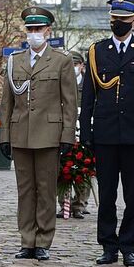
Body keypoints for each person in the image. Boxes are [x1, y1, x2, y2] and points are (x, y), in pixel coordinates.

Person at [81, 0, 134, 267]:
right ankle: (107, 244)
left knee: (132, 194)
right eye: (115, 20)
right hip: (105, 132)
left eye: (124, 21)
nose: (118, 24)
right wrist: (86, 131)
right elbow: (88, 96)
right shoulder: (97, 51)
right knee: (106, 194)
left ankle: (129, 245)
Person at [0, 7, 77, 261]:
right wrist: (4, 135)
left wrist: (67, 135)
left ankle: (43, 240)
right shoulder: (15, 61)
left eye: (38, 29)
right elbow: (7, 102)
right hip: (21, 132)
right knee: (25, 190)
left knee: (45, 190)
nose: (34, 34)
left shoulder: (61, 61)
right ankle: (26, 240)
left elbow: (70, 102)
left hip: (49, 133)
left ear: (48, 31)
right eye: (30, 29)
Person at [58, 51, 90, 218]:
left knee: (82, 167)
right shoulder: (60, 82)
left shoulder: (87, 84)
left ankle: (79, 204)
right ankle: (64, 204)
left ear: (81, 66)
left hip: (83, 128)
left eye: (75, 65)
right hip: (64, 129)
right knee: (62, 168)